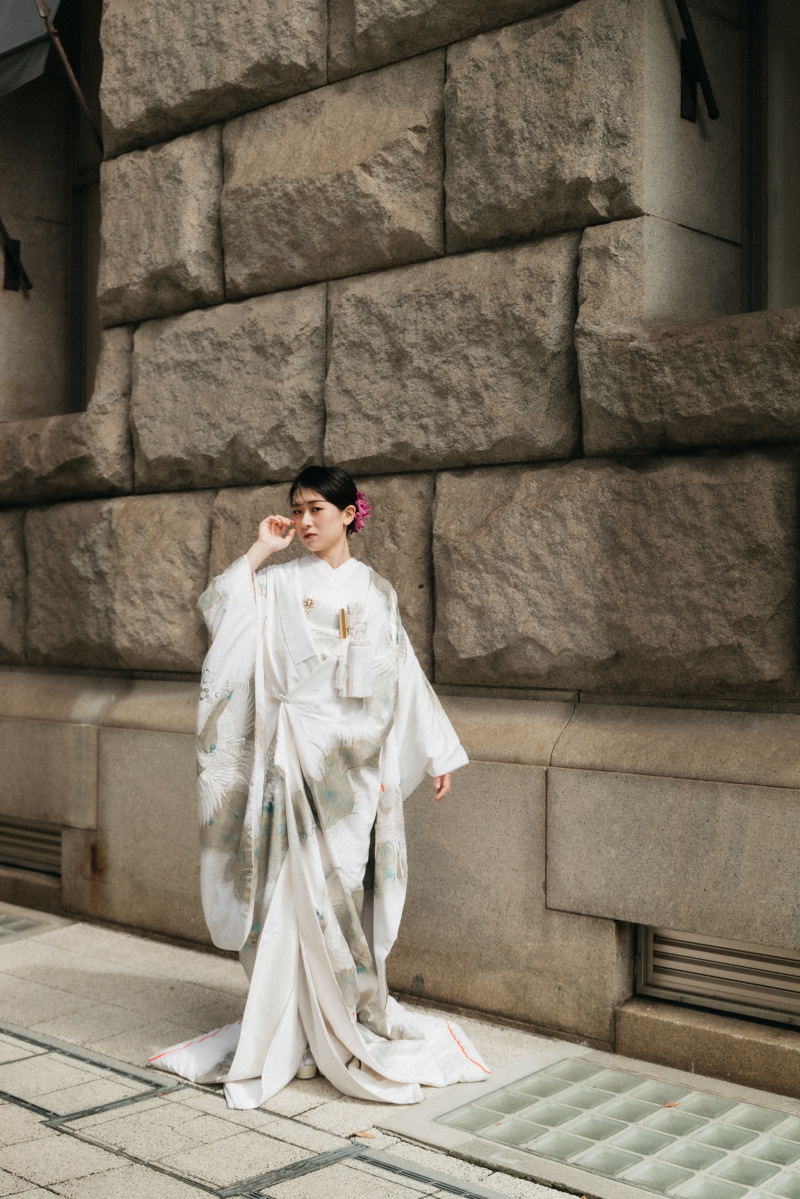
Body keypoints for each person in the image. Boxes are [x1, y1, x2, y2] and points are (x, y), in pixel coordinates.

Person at [149, 466, 490, 1108]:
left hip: (352, 773)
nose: (305, 522)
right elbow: (222, 609)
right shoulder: (276, 583)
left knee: (341, 893)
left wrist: (437, 750)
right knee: (282, 895)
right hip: (290, 757)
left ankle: (335, 1023)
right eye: (297, 510)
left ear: (350, 514)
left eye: (317, 510)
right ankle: (291, 1034)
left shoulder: (377, 591)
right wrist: (261, 549)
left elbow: (404, 675)